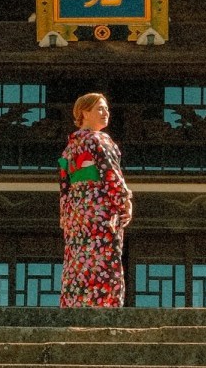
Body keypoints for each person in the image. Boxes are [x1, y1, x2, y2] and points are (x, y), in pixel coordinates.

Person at [57, 93, 133, 307]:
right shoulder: (98, 140)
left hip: (76, 213)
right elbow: (110, 174)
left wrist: (66, 217)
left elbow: (64, 186)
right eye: (99, 108)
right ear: (84, 112)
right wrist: (124, 201)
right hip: (99, 210)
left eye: (107, 108)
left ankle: (75, 303)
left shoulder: (70, 147)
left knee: (78, 261)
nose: (106, 112)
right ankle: (104, 304)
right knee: (104, 259)